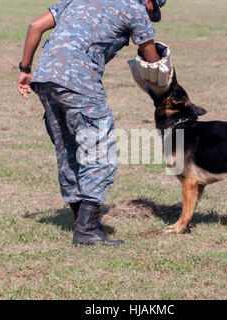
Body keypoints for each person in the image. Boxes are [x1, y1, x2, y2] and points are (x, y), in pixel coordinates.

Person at [16, 0, 168, 245]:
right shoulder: (136, 9)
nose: (150, 14)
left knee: (67, 148)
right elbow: (153, 63)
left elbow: (35, 26)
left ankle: (82, 219)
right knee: (100, 148)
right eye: (153, 8)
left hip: (44, 76)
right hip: (78, 78)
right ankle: (86, 229)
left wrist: (25, 69)